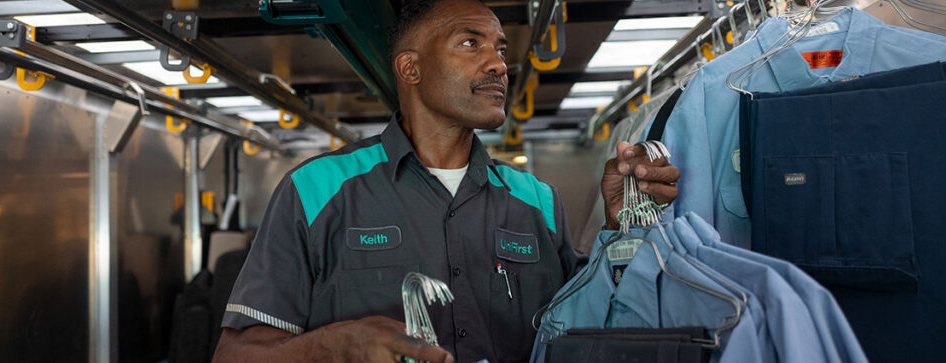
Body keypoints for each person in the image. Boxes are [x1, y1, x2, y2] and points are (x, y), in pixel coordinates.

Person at [212, 0, 680, 361]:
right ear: (410, 68)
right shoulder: (314, 191)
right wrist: (333, 348)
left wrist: (621, 230)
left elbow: (589, 326)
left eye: (500, 48)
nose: (499, 64)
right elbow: (234, 356)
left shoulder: (536, 201)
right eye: (470, 43)